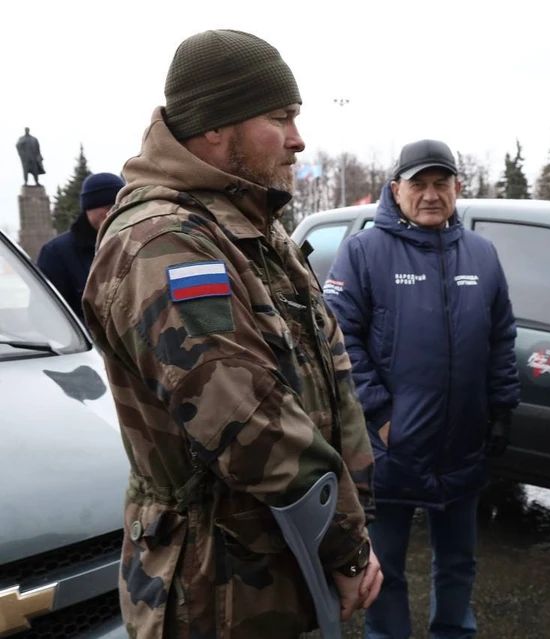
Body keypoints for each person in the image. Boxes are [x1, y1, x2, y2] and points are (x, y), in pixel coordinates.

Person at [81, 29, 382, 638]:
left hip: (277, 563)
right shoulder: (164, 244)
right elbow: (245, 418)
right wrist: (344, 542)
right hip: (213, 591)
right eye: (280, 118)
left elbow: (329, 375)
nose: (298, 140)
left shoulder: (251, 228)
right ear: (216, 127)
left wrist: (354, 520)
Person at [323, 138, 521, 639]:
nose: (431, 194)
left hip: (461, 447)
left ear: (457, 187)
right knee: (382, 568)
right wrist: (383, 418)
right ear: (396, 189)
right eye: (419, 184)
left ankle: (453, 631)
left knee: (458, 564)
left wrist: (501, 407)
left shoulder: (481, 253)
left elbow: (501, 336)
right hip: (390, 449)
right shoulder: (363, 252)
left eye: (441, 183)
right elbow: (341, 344)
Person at [36, 172, 124, 322]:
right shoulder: (56, 253)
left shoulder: (130, 243)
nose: (119, 214)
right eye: (113, 208)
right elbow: (44, 314)